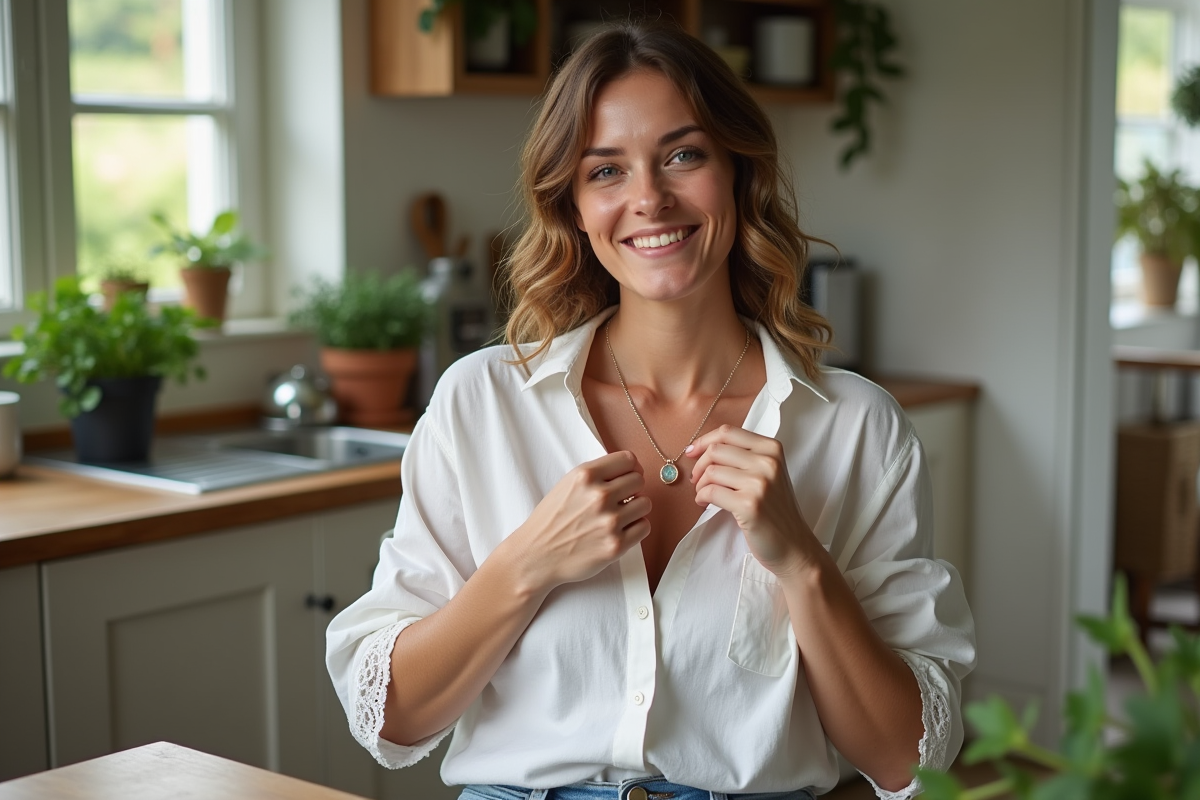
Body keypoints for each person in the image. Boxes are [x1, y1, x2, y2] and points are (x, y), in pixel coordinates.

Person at [326, 22, 976, 800]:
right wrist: (525, 565)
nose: (648, 199)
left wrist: (802, 563)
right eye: (606, 170)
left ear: (739, 173)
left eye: (683, 156)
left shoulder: (858, 429)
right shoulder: (482, 402)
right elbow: (390, 718)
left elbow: (908, 763)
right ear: (573, 206)